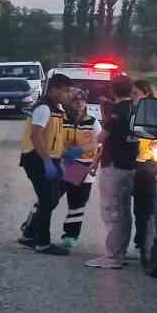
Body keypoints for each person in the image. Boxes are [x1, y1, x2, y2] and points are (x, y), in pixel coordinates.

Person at [87, 75, 139, 269]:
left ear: (112, 90)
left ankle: (112, 257)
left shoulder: (117, 111)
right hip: (130, 165)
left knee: (112, 211)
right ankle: (121, 252)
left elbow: (101, 137)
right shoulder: (136, 108)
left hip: (114, 166)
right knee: (124, 211)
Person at [19, 73, 74, 255]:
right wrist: (47, 162)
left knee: (52, 198)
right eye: (66, 91)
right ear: (54, 89)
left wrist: (64, 153)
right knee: (47, 199)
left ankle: (29, 233)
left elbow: (53, 137)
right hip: (37, 159)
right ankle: (42, 242)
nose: (68, 95)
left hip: (49, 159)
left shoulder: (57, 109)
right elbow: (35, 136)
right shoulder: (44, 108)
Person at [57, 89, 99, 249]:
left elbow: (98, 142)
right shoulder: (61, 120)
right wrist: (63, 152)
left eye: (82, 100)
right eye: (76, 100)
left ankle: (70, 235)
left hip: (83, 166)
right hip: (63, 165)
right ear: (69, 103)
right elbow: (53, 139)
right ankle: (32, 228)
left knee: (77, 203)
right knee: (50, 197)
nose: (80, 103)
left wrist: (82, 151)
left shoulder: (92, 122)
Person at [131, 79, 157, 264]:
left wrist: (154, 148)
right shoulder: (131, 112)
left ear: (147, 95)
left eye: (136, 93)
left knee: (145, 207)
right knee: (137, 209)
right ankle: (140, 241)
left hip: (147, 164)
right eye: (131, 93)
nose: (132, 97)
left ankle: (145, 243)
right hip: (131, 163)